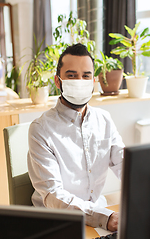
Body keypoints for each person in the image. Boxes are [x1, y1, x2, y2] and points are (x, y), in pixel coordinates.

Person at [27, 43, 125, 231]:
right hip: (56, 221)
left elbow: (124, 163)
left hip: (96, 214)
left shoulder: (103, 120)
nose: (80, 81)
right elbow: (53, 195)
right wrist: (105, 217)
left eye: (86, 76)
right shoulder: (40, 129)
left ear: (94, 80)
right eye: (72, 76)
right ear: (58, 81)